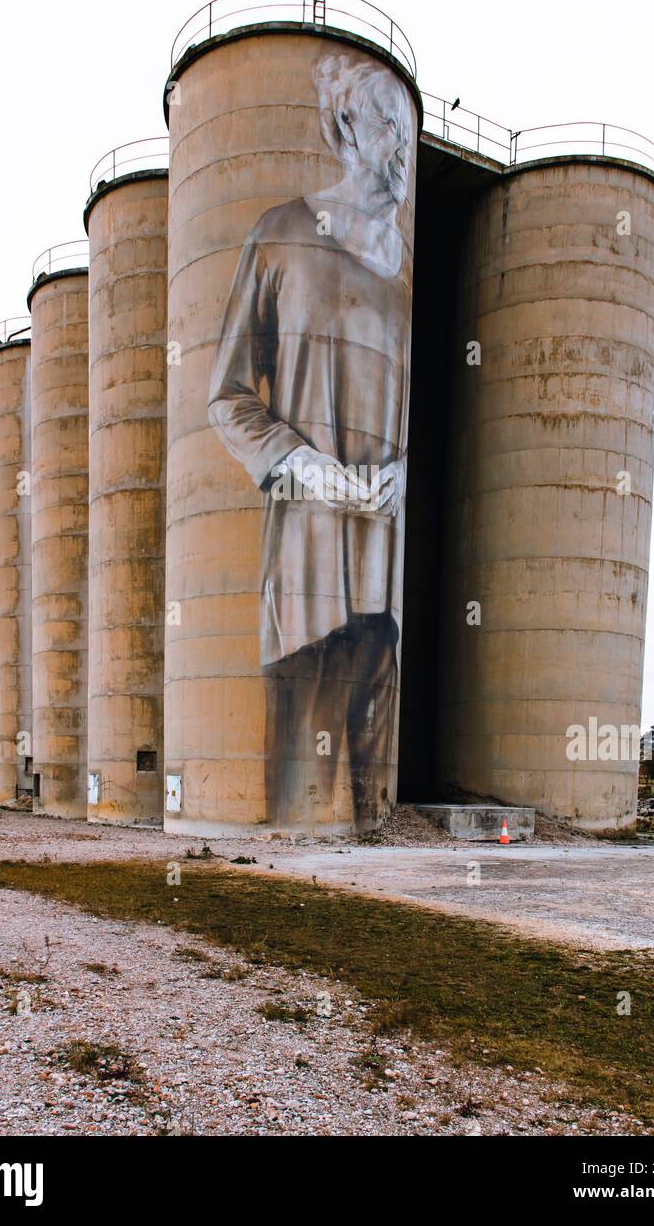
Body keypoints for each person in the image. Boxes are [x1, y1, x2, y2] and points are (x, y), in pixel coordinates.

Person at [208, 48, 414, 830]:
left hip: (385, 596)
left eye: (406, 127)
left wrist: (407, 474)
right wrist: (304, 468)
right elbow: (227, 397)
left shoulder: (409, 277)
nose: (399, 144)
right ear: (343, 128)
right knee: (295, 808)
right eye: (384, 123)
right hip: (305, 584)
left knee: (368, 816)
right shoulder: (282, 235)